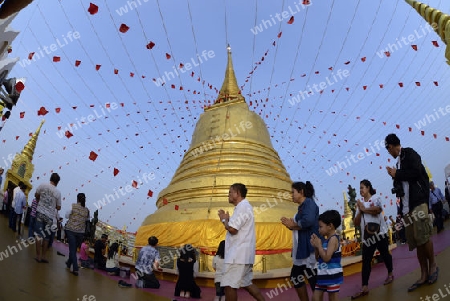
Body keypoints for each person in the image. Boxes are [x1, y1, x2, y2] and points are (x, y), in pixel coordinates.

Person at [385, 133, 438, 291]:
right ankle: (423, 272)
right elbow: (401, 184)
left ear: (395, 145)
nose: (388, 151)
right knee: (415, 240)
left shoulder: (409, 153)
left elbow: (416, 172)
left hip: (418, 201)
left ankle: (433, 265)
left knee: (423, 235)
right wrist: (395, 178)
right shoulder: (398, 163)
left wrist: (397, 174)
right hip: (406, 206)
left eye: (388, 148)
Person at [218, 183, 265, 301]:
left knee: (229, 285)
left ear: (237, 193)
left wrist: (224, 220)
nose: (228, 195)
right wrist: (227, 221)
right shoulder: (244, 207)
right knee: (247, 284)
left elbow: (233, 229)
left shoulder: (242, 207)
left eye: (230, 192)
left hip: (237, 256)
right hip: (243, 255)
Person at [351, 179, 394, 299]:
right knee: (366, 261)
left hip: (379, 233)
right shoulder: (359, 204)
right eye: (359, 188)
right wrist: (359, 210)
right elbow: (356, 222)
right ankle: (364, 286)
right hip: (367, 237)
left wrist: (364, 208)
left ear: (368, 188)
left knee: (385, 254)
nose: (361, 190)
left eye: (362, 187)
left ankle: (390, 273)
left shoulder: (376, 198)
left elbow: (378, 210)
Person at [281, 181, 319, 301]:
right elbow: (300, 224)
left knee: (311, 278)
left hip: (309, 247)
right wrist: (290, 224)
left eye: (293, 192)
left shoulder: (309, 203)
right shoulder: (301, 207)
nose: (291, 195)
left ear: (301, 192)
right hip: (302, 248)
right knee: (297, 277)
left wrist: (293, 225)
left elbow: (308, 221)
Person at [310, 210, 343, 301]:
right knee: (315, 298)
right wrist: (316, 247)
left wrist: (319, 245)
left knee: (332, 298)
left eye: (321, 227)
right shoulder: (325, 240)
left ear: (330, 226)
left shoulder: (333, 239)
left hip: (332, 275)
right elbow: (318, 258)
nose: (319, 229)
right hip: (323, 275)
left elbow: (327, 258)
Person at [34, 173, 61, 263]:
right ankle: (44, 256)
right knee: (46, 237)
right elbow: (59, 207)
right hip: (49, 217)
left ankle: (38, 256)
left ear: (50, 178)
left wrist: (40, 199)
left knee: (38, 235)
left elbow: (36, 194)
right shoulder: (58, 192)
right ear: (57, 182)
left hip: (40, 212)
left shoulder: (43, 185)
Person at [65, 193, 90, 276]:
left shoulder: (73, 206)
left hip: (71, 230)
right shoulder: (87, 210)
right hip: (80, 232)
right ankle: (69, 263)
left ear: (77, 199)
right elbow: (87, 220)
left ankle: (75, 268)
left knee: (72, 250)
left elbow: (66, 216)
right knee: (74, 249)